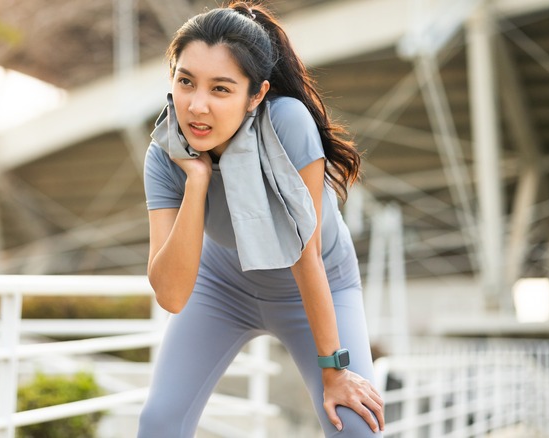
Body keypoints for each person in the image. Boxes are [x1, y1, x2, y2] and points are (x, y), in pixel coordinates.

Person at [138, 2, 385, 436]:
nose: (196, 106)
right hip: (223, 286)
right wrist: (197, 181)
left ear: (256, 94)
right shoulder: (164, 153)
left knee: (355, 425)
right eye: (186, 82)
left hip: (313, 282)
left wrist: (335, 371)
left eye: (221, 89)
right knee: (159, 423)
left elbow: (303, 254)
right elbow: (173, 296)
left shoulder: (288, 123)